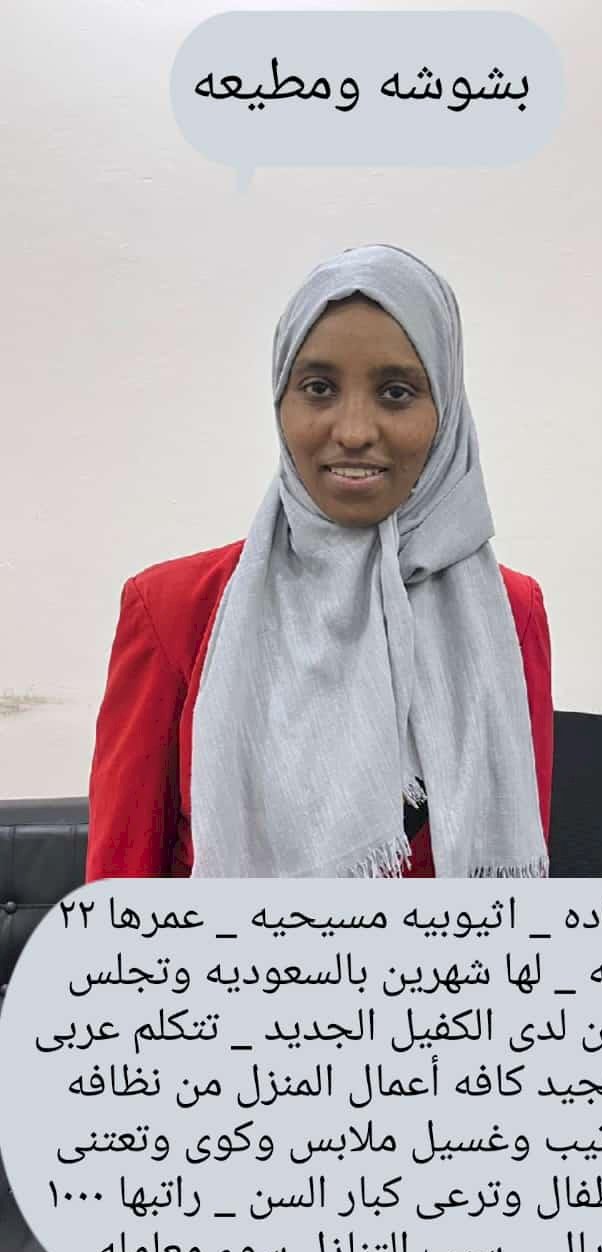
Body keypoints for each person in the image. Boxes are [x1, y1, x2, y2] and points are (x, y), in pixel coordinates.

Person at [85, 244, 553, 883]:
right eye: (318, 388)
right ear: (281, 402)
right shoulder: (172, 611)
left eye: (396, 392)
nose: (354, 430)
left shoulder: (509, 611)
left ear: (446, 412)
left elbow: (521, 887)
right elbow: (120, 896)